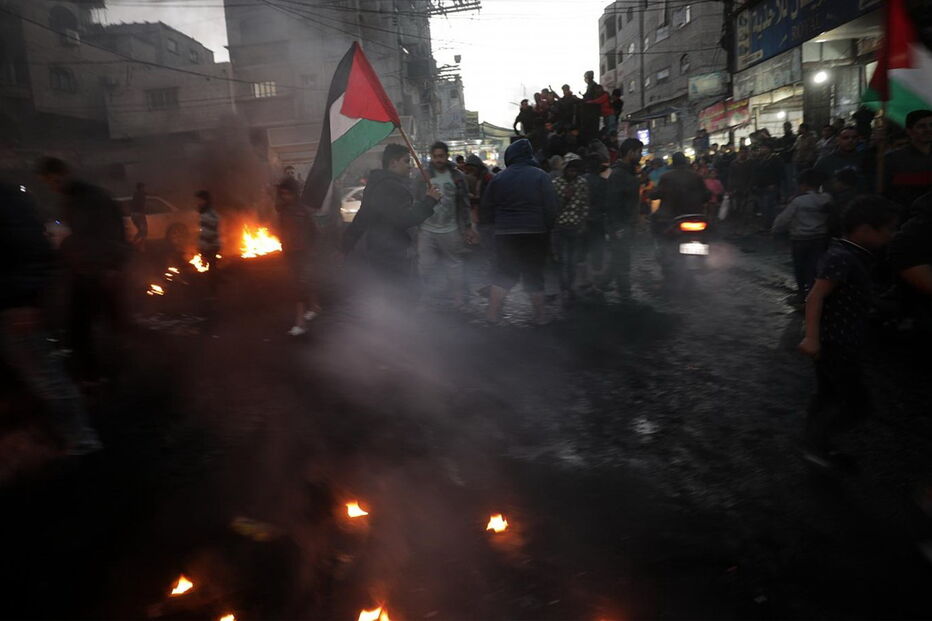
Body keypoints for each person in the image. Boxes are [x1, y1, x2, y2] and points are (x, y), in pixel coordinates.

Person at [0, 182, 101, 455]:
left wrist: (23, 300)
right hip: (12, 304)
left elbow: (34, 251)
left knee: (47, 379)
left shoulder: (7, 200)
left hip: (12, 309)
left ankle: (82, 446)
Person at [798, 196, 899, 468]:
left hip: (840, 340)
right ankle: (815, 444)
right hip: (835, 343)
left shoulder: (854, 255)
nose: (891, 236)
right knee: (857, 403)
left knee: (828, 395)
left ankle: (816, 446)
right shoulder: (842, 257)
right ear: (865, 229)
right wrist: (811, 337)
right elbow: (815, 296)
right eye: (888, 229)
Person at [36, 157, 128, 384]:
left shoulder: (90, 197)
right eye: (48, 183)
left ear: (62, 173)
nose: (52, 187)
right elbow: (78, 235)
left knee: (102, 325)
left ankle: (115, 373)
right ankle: (99, 376)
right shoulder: (71, 199)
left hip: (99, 272)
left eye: (53, 180)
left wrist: (112, 267)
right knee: (83, 327)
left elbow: (112, 232)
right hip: (84, 272)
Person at [343, 144, 442, 298]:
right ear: (393, 163)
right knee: (401, 296)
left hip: (381, 250)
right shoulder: (390, 187)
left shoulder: (379, 183)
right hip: (392, 252)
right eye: (407, 161)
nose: (410, 166)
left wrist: (346, 244)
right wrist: (429, 201)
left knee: (392, 294)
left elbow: (362, 217)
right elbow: (404, 219)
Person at [481, 138, 558, 325]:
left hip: (505, 234)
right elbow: (551, 207)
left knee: (504, 273)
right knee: (534, 274)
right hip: (535, 232)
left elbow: (487, 208)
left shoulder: (498, 178)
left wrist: (492, 230)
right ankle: (540, 317)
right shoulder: (541, 176)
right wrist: (548, 229)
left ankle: (491, 314)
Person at [414, 141, 476, 308]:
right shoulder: (423, 176)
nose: (438, 160)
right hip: (427, 228)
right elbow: (417, 199)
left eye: (441, 156)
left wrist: (468, 226)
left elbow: (464, 202)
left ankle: (458, 298)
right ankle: (426, 296)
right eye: (435, 156)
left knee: (454, 265)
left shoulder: (457, 176)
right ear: (431, 157)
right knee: (425, 265)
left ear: (447, 156)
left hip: (450, 228)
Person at [771, 169, 832, 300]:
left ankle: (802, 293)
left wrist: (775, 229)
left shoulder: (798, 201)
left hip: (800, 239)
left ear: (804, 185)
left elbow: (784, 219)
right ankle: (814, 292)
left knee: (800, 266)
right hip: (820, 238)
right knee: (815, 266)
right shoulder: (826, 199)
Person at [649, 152, 709, 275]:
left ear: (673, 163)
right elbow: (706, 195)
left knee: (655, 226)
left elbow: (656, 194)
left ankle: (663, 253)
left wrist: (651, 193)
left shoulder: (666, 177)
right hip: (695, 216)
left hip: (670, 216)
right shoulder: (696, 176)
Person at [275, 178, 320, 336]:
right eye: (283, 194)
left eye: (288, 193)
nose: (286, 196)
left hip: (303, 253)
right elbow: (281, 231)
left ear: (295, 193)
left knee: (298, 287)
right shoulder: (283, 211)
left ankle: (300, 323)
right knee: (303, 283)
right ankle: (314, 307)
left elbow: (314, 232)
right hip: (290, 253)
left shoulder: (303, 211)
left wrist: (311, 250)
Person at [603, 138, 644, 295]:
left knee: (619, 257)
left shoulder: (627, 172)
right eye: (639, 152)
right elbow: (613, 203)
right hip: (620, 225)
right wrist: (618, 227)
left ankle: (603, 283)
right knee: (622, 258)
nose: (640, 156)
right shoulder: (619, 174)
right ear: (630, 152)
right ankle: (625, 295)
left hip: (625, 224)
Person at [552, 159, 590, 300]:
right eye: (570, 170)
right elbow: (553, 208)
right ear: (564, 170)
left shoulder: (581, 183)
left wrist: (583, 223)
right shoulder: (555, 184)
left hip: (576, 226)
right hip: (560, 226)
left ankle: (570, 286)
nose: (572, 173)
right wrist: (566, 199)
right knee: (562, 259)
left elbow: (585, 204)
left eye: (575, 171)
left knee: (573, 259)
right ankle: (564, 288)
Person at [882, 109, 932, 215]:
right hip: (905, 220)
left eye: (931, 125)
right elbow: (885, 195)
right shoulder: (892, 160)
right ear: (909, 131)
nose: (928, 129)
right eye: (921, 126)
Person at [583, 155, 609, 284]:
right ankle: (597, 280)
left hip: (583, 220)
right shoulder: (603, 183)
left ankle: (586, 280)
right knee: (598, 249)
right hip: (598, 219)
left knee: (584, 249)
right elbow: (607, 204)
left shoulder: (581, 181)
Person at [195, 190, 222, 309]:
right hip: (209, 246)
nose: (198, 202)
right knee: (211, 269)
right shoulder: (206, 213)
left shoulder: (208, 215)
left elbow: (209, 233)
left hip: (211, 246)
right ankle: (213, 292)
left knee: (211, 270)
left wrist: (204, 248)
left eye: (200, 200)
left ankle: (213, 294)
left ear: (205, 201)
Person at [750, 143, 784, 227]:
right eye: (761, 148)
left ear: (769, 149)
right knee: (763, 208)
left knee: (769, 206)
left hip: (771, 186)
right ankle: (766, 225)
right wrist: (754, 184)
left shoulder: (775, 159)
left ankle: (773, 225)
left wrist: (775, 184)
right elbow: (755, 173)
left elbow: (780, 173)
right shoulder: (759, 159)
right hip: (760, 187)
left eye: (763, 148)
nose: (761, 150)